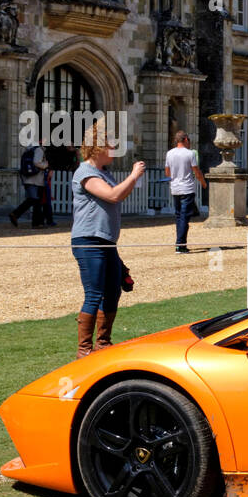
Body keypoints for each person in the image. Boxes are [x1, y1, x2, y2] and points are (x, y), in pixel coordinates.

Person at [71, 123, 145, 358]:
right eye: (111, 145)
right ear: (98, 147)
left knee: (114, 289)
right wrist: (133, 175)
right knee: (94, 293)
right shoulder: (85, 172)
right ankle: (84, 350)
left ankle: (103, 343)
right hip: (88, 241)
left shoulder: (104, 172)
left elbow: (117, 193)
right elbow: (113, 195)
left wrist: (131, 180)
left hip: (106, 241)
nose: (114, 149)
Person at [164, 131, 206, 254]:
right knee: (184, 217)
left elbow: (167, 173)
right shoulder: (190, 153)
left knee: (179, 216)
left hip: (175, 188)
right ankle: (180, 245)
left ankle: (181, 243)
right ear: (186, 139)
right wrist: (203, 183)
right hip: (187, 188)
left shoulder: (169, 153)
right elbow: (196, 171)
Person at [10, 139, 49, 227]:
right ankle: (15, 214)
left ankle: (37, 223)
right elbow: (36, 162)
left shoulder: (30, 149)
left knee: (36, 201)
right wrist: (46, 165)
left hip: (30, 178)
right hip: (35, 179)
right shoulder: (39, 150)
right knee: (33, 200)